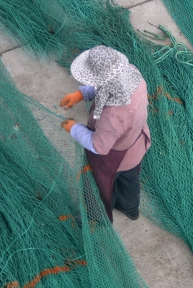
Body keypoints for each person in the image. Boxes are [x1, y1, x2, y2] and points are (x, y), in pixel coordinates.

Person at [60, 46, 151, 222]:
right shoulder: (133, 74)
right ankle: (131, 209)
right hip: (136, 145)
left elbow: (98, 146)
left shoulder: (111, 115)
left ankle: (97, 216)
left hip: (115, 156)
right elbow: (109, 85)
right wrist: (81, 94)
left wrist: (74, 128)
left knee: (100, 187)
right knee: (129, 181)